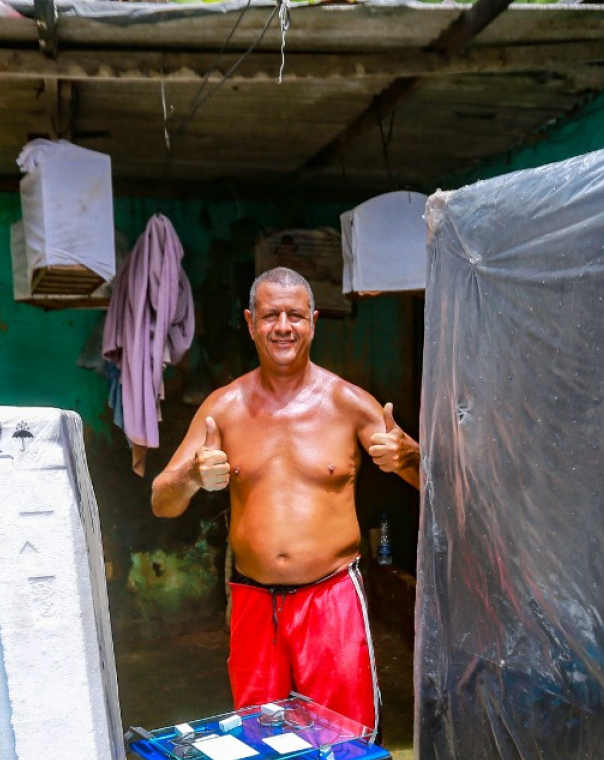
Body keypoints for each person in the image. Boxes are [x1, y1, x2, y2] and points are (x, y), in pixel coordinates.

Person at [152, 266, 420, 731]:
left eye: (294, 315)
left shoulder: (349, 402)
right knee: (260, 742)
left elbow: (434, 480)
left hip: (331, 598)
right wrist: (193, 476)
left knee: (343, 740)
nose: (283, 327)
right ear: (250, 322)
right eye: (270, 315)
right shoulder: (224, 407)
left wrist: (409, 455)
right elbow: (162, 501)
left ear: (313, 322)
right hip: (254, 603)